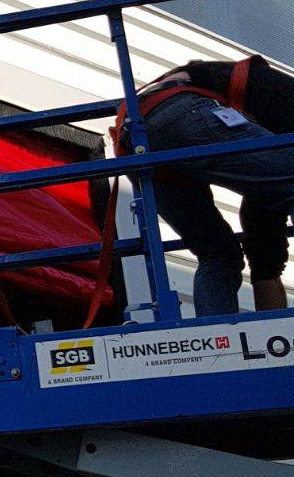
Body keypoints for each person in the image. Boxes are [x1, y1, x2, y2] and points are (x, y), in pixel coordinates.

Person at [123, 54, 294, 315]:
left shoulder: (268, 101)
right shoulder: (283, 102)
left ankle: (219, 336)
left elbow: (263, 214)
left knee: (219, 254)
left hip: (136, 140)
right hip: (180, 110)